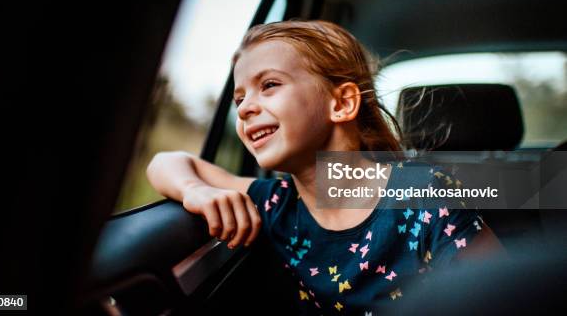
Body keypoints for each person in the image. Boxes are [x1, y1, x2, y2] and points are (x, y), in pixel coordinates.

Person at [146, 20, 504, 314]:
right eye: (240, 98)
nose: (243, 108)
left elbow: (503, 295)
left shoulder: (426, 193)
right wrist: (197, 190)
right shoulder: (278, 204)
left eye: (268, 85)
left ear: (342, 103)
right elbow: (168, 163)